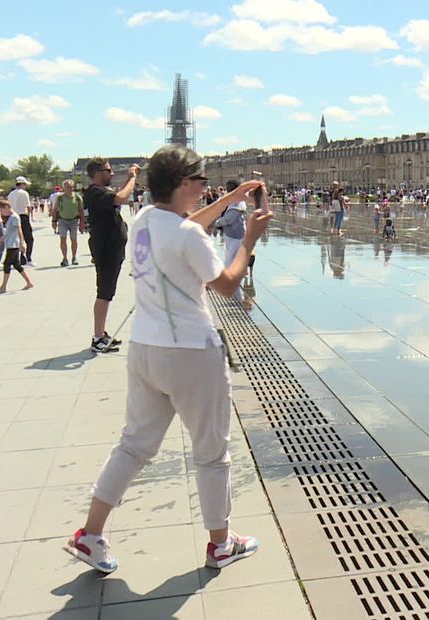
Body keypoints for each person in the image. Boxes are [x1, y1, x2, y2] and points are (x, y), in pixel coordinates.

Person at [67, 145, 272, 575]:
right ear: (182, 183)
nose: (203, 188)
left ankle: (89, 533)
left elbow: (185, 229)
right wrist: (248, 240)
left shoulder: (144, 218)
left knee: (134, 444)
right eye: (200, 182)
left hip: (145, 348)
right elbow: (228, 286)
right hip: (192, 353)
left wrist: (228, 202)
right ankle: (221, 543)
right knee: (212, 452)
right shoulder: (188, 235)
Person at [85, 158, 139, 353]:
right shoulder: (94, 192)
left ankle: (101, 333)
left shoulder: (101, 193)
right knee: (104, 293)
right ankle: (97, 338)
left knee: (108, 293)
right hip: (106, 250)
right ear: (98, 173)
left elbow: (116, 197)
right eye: (109, 170)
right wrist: (132, 178)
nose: (112, 173)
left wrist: (128, 180)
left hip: (111, 249)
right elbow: (121, 198)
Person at [0, 199, 35, 293]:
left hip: (14, 244)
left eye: (1, 210)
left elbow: (19, 231)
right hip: (10, 244)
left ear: (6, 207)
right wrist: (2, 239)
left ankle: (3, 286)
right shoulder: (10, 217)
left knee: (7, 265)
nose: (1, 213)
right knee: (17, 265)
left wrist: (22, 243)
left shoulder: (14, 217)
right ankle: (29, 282)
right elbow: (9, 231)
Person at [213, 180, 247, 268]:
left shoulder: (238, 203)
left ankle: (230, 276)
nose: (227, 190)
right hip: (230, 233)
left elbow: (229, 219)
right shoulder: (233, 200)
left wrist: (217, 222)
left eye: (229, 188)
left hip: (236, 235)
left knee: (232, 258)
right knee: (229, 255)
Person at [53, 180, 85, 266]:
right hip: (63, 220)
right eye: (67, 187)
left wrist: (82, 222)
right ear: (64, 188)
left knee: (73, 239)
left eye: (71, 187)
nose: (69, 189)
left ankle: (74, 257)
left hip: (74, 221)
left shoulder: (77, 197)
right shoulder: (60, 198)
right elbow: (55, 210)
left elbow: (81, 210)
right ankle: (65, 258)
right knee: (63, 239)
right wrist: (54, 221)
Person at [8, 176, 34, 264]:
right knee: (29, 239)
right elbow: (28, 207)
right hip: (23, 216)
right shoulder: (24, 193)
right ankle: (28, 258)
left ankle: (19, 257)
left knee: (17, 238)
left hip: (12, 216)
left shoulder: (10, 194)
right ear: (22, 184)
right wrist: (30, 216)